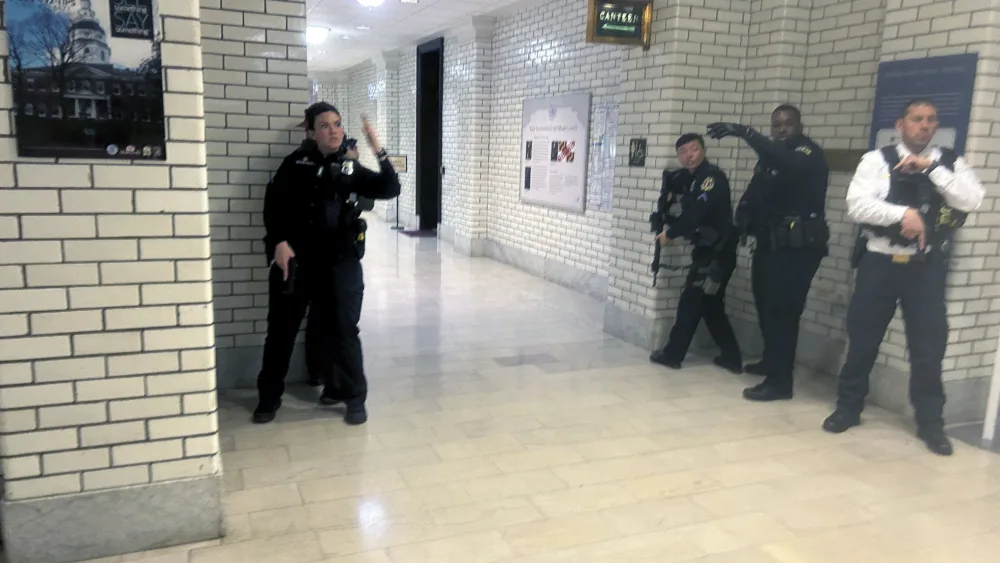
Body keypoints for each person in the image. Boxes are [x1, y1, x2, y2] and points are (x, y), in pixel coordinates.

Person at [822, 99, 984, 455]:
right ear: (901, 124)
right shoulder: (876, 160)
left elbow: (971, 200)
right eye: (916, 119)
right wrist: (903, 215)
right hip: (879, 263)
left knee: (928, 348)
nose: (924, 126)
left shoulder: (948, 161)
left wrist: (931, 169)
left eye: (930, 120)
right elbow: (857, 204)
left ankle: (931, 424)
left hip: (924, 267)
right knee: (863, 340)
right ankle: (848, 408)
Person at [254, 102, 400, 425]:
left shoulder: (349, 167)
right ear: (311, 132)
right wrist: (277, 242)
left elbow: (390, 188)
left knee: (344, 330)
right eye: (324, 125)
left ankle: (351, 396)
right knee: (281, 331)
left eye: (337, 124)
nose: (333, 130)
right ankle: (268, 397)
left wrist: (379, 148)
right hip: (296, 259)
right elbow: (273, 206)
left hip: (340, 260)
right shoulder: (294, 164)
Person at [707, 105, 829, 401]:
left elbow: (788, 163)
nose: (782, 129)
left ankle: (780, 382)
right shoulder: (771, 157)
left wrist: (745, 132)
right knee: (765, 305)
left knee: (782, 314)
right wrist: (741, 218)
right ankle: (772, 361)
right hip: (770, 244)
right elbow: (755, 191)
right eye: (776, 125)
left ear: (799, 125)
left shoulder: (807, 153)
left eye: (788, 124)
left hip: (797, 250)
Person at [649, 133, 742, 373]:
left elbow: (696, 214)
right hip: (710, 252)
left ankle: (672, 354)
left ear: (703, 150)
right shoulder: (694, 178)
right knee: (711, 306)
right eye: (683, 152)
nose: (689, 156)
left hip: (716, 255)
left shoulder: (710, 179)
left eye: (694, 150)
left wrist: (671, 234)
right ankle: (732, 357)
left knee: (690, 303)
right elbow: (682, 184)